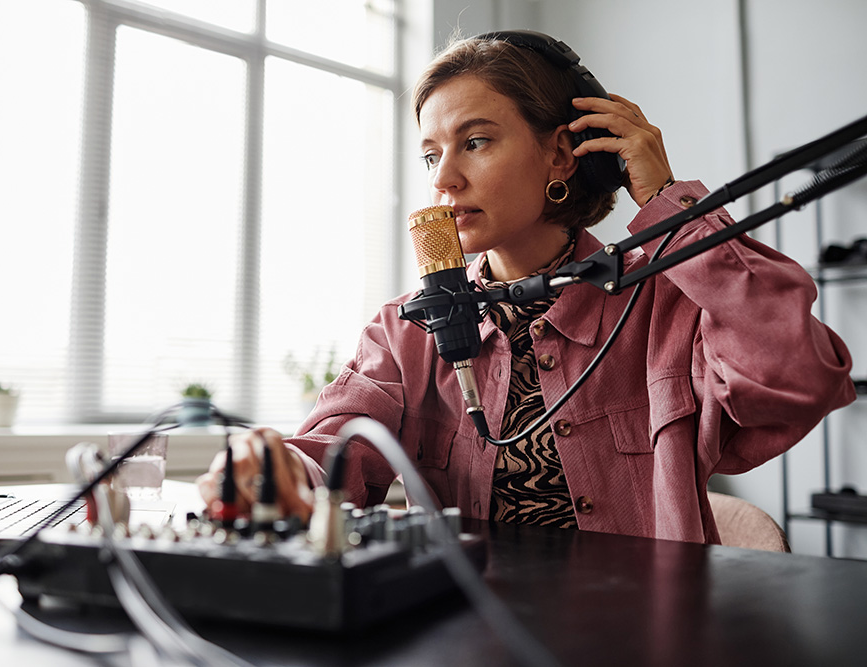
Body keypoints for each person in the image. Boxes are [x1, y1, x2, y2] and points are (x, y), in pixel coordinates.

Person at [197, 31, 855, 544]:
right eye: (432, 154)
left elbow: (799, 375)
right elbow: (334, 446)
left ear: (562, 155)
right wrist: (282, 472)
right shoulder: (407, 329)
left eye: (475, 141)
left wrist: (665, 203)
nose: (444, 179)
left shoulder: (671, 306)